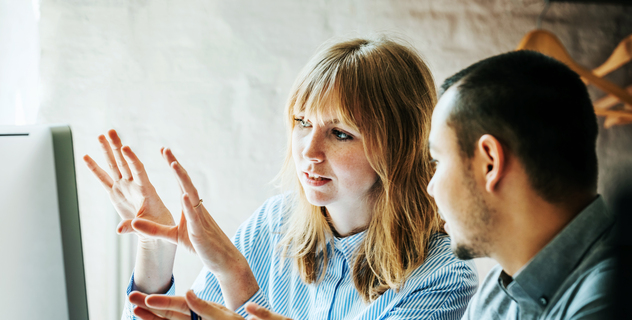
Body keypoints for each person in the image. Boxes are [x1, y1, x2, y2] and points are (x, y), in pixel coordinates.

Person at [84, 37, 478, 320]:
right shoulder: (273, 224)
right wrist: (155, 245)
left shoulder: (442, 274)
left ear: (400, 146)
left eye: (340, 133)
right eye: (302, 123)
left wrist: (235, 274)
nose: (308, 150)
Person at [427, 50, 615, 319]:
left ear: (490, 163)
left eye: (437, 161)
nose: (431, 188)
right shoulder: (498, 290)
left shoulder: (611, 298)